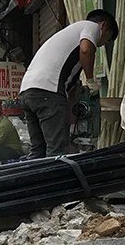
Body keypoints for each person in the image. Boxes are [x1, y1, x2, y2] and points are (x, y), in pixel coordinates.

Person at [18, 9, 117, 158]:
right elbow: (86, 50)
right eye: (108, 39)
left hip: (27, 92)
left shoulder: (68, 39)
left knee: (38, 151)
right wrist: (91, 81)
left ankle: (33, 181)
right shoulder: (91, 27)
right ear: (103, 25)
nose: (102, 44)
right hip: (48, 91)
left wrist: (68, 120)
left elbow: (70, 92)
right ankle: (55, 181)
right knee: (56, 152)